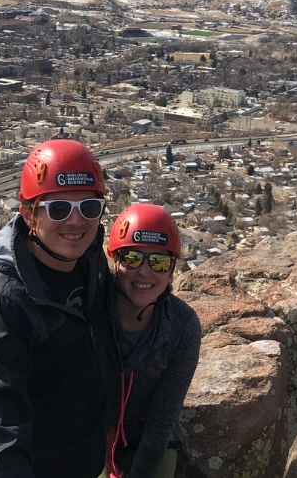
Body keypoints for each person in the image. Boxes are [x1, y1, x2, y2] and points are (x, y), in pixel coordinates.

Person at [0, 139, 113, 478]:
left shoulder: (89, 262)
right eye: (58, 209)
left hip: (86, 459)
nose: (76, 222)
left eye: (89, 208)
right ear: (28, 213)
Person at [102, 202, 201, 478]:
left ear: (171, 269)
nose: (145, 272)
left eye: (158, 261)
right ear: (115, 260)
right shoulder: (90, 309)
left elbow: (162, 420)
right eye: (133, 258)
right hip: (87, 432)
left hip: (146, 435)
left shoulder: (181, 326)